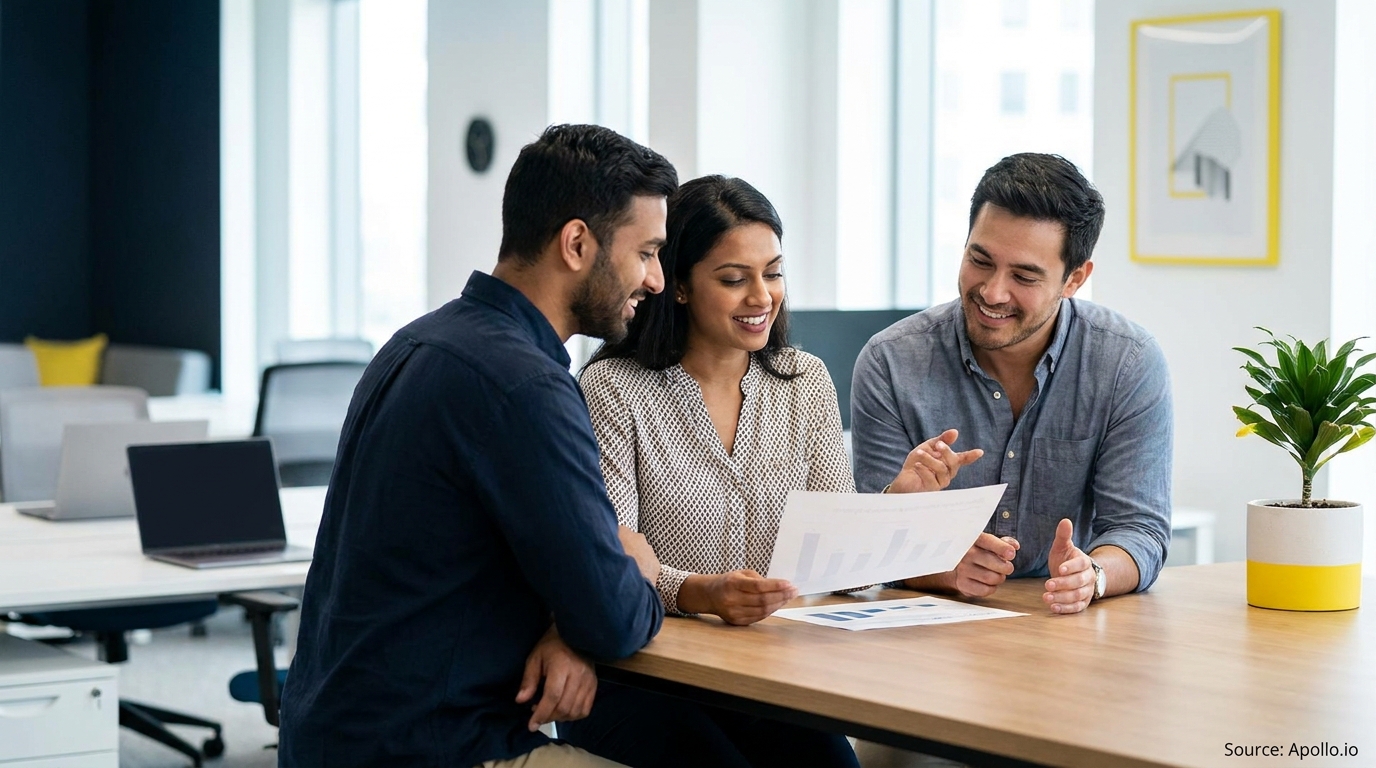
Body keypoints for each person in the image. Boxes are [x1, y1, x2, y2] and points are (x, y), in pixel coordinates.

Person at [278, 124, 678, 768]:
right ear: (577, 243)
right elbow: (611, 616)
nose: (656, 280)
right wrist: (640, 561)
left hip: (330, 736)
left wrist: (566, 624)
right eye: (648, 252)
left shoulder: (414, 344)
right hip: (436, 749)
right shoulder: (528, 386)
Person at [562, 175, 981, 768]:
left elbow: (842, 570)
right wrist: (699, 593)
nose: (762, 296)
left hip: (771, 677)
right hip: (647, 677)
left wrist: (893, 501)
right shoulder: (613, 388)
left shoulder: (803, 381)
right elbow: (614, 558)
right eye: (734, 279)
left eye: (774, 272)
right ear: (678, 286)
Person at [851, 153, 1173, 616]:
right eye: (979, 260)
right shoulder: (891, 361)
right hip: (927, 635)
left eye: (1024, 276)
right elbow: (868, 542)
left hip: (1062, 629)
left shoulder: (1127, 362)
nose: (993, 292)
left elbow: (1139, 529)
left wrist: (1092, 576)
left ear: (1075, 278)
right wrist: (943, 566)